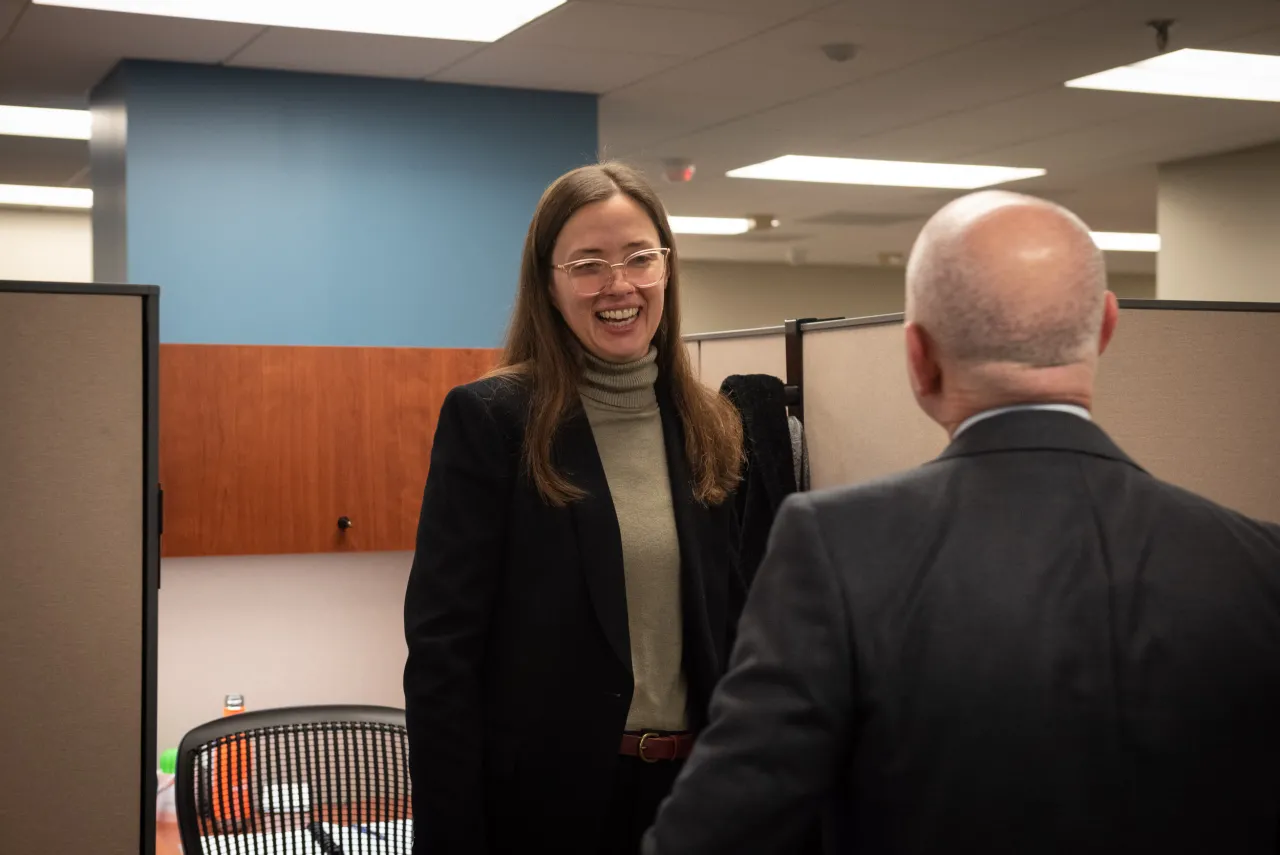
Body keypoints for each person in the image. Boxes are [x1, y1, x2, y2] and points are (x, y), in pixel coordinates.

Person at [641, 190, 1280, 854]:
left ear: (917, 354)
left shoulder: (839, 548)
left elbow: (717, 833)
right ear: (1107, 329)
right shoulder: (1257, 561)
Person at [403, 162, 745, 855]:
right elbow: (443, 655)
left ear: (666, 269)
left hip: (694, 796)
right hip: (548, 807)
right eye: (587, 264)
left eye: (638, 258)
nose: (619, 285)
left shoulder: (712, 424)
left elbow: (740, 635)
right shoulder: (495, 420)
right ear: (550, 285)